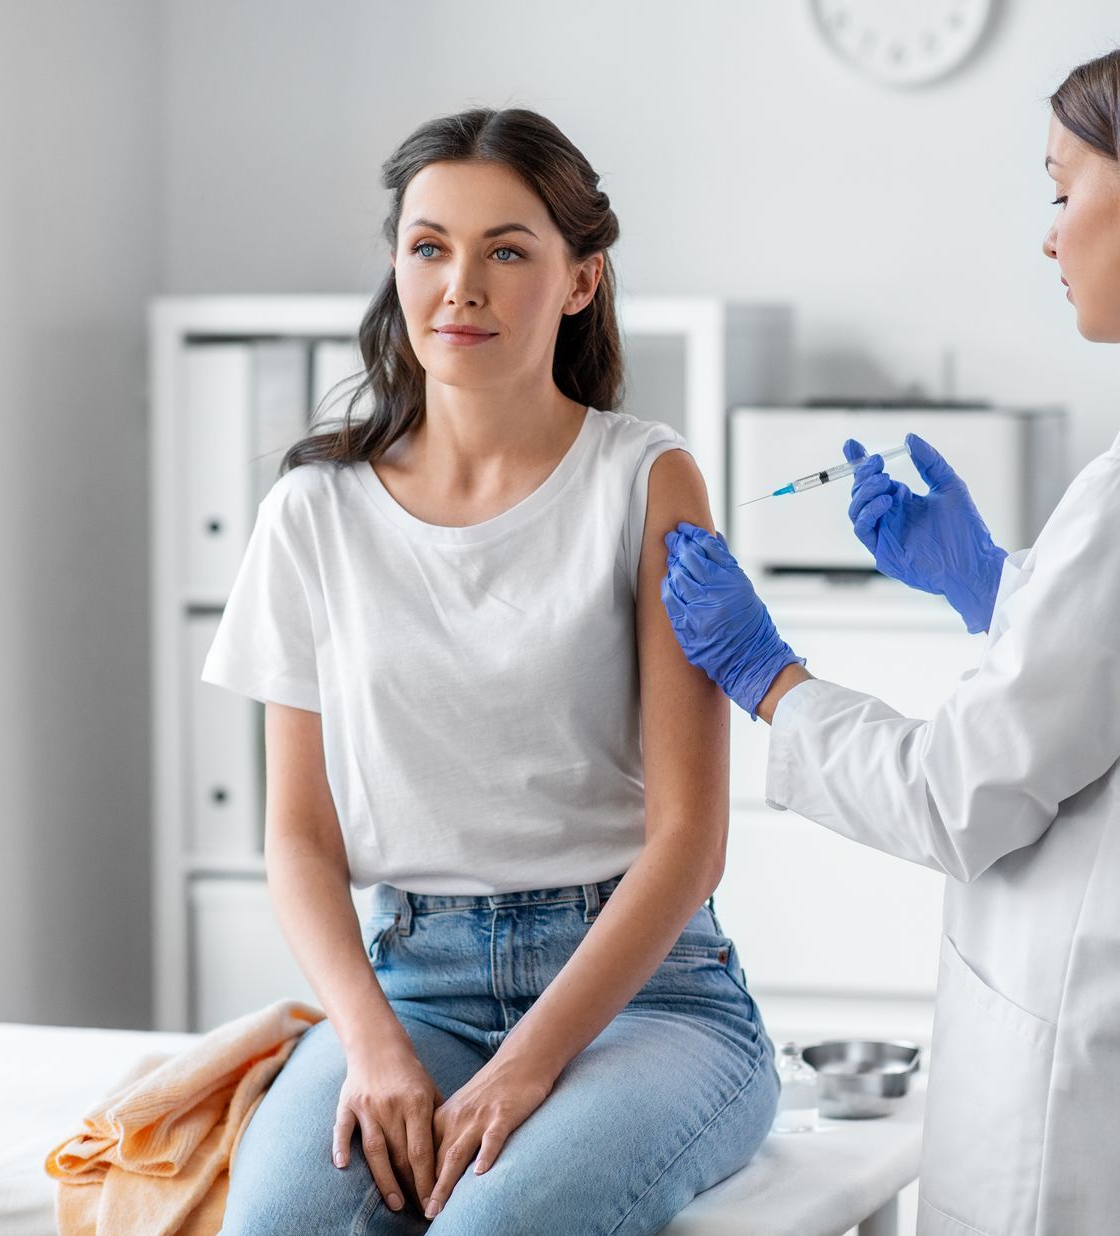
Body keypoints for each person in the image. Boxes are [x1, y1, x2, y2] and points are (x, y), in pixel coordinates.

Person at [661, 25, 1120, 1236]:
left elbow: (958, 795)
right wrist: (993, 588)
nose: (1048, 233)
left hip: (1104, 1128)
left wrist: (768, 675)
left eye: (1063, 189)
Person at [203, 108, 776, 1235]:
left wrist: (527, 1068)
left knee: (489, 1226)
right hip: (414, 986)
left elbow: (689, 843)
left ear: (579, 280)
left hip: (646, 1002)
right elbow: (299, 840)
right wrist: (367, 1045)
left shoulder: (645, 479)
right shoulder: (312, 511)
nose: (459, 284)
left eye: (507, 250)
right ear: (397, 265)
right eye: (430, 247)